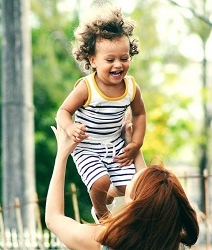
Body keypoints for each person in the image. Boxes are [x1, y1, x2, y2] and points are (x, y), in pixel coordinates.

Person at [45, 123, 199, 250]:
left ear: (135, 204)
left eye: (131, 182)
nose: (127, 180)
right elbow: (150, 194)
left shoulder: (105, 241)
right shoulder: (174, 243)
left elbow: (53, 218)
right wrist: (131, 144)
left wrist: (62, 153)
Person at [56, 6, 146, 221]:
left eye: (124, 58)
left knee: (130, 187)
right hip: (87, 146)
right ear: (93, 60)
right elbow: (63, 111)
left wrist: (136, 144)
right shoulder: (87, 88)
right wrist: (70, 127)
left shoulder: (131, 87)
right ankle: (102, 214)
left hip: (115, 144)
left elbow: (140, 114)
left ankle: (108, 195)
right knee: (100, 182)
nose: (118, 65)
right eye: (110, 60)